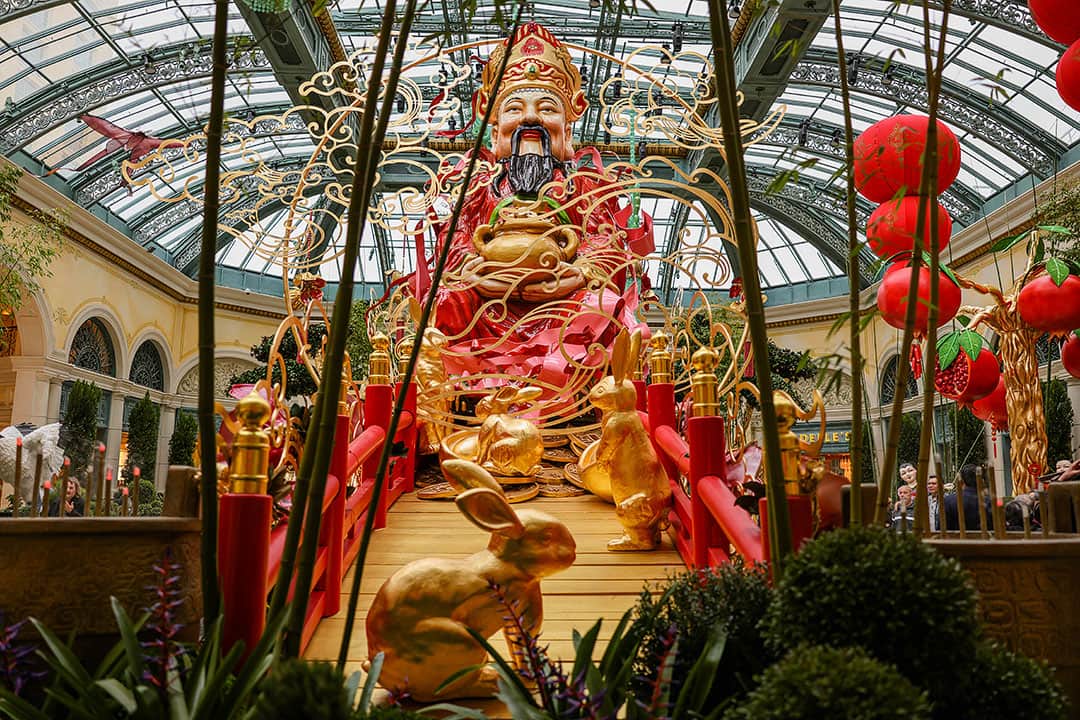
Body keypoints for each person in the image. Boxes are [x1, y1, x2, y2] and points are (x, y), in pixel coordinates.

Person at [404, 23, 653, 397]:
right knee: (445, 301)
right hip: (487, 301)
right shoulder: (475, 187)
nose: (530, 120)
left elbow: (607, 244)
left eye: (547, 108)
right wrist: (474, 272)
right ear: (497, 127)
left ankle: (570, 395)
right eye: (515, 109)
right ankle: (464, 393)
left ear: (567, 128)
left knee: (604, 305)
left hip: (562, 298)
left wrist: (578, 273)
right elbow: (453, 245)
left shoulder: (582, 186)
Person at [943, 464, 993, 531]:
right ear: (981, 480)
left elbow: (942, 529)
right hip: (984, 540)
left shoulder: (948, 501)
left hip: (956, 540)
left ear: (962, 481)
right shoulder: (989, 502)